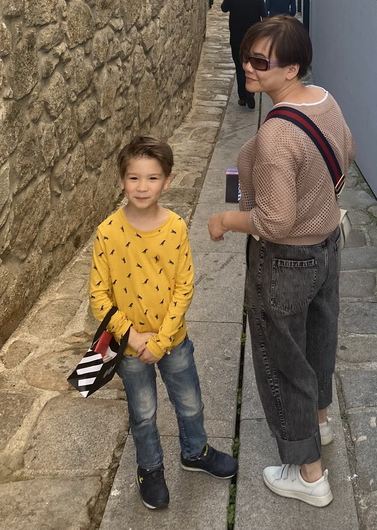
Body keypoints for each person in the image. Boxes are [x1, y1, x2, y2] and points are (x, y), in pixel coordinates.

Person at [207, 17, 355, 508]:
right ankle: (319, 423)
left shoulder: (275, 137)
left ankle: (307, 473)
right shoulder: (325, 101)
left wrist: (228, 219)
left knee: (280, 361)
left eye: (258, 61)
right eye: (246, 55)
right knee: (318, 339)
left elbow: (273, 220)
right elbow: (347, 151)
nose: (246, 67)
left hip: (286, 262)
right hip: (327, 247)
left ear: (290, 69)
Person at [89, 136, 237, 510]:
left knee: (190, 403)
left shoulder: (175, 228)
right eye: (134, 178)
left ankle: (195, 451)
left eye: (152, 178)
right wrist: (136, 339)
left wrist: (161, 340)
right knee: (143, 413)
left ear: (167, 181)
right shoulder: (107, 232)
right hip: (129, 347)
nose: (142, 187)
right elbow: (98, 297)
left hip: (174, 342)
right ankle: (150, 468)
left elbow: (184, 287)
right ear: (122, 181)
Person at [220, 0, 266, 108]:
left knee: (240, 67)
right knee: (253, 65)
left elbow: (223, 8)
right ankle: (251, 91)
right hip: (254, 39)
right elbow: (265, 17)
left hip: (237, 39)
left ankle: (243, 97)